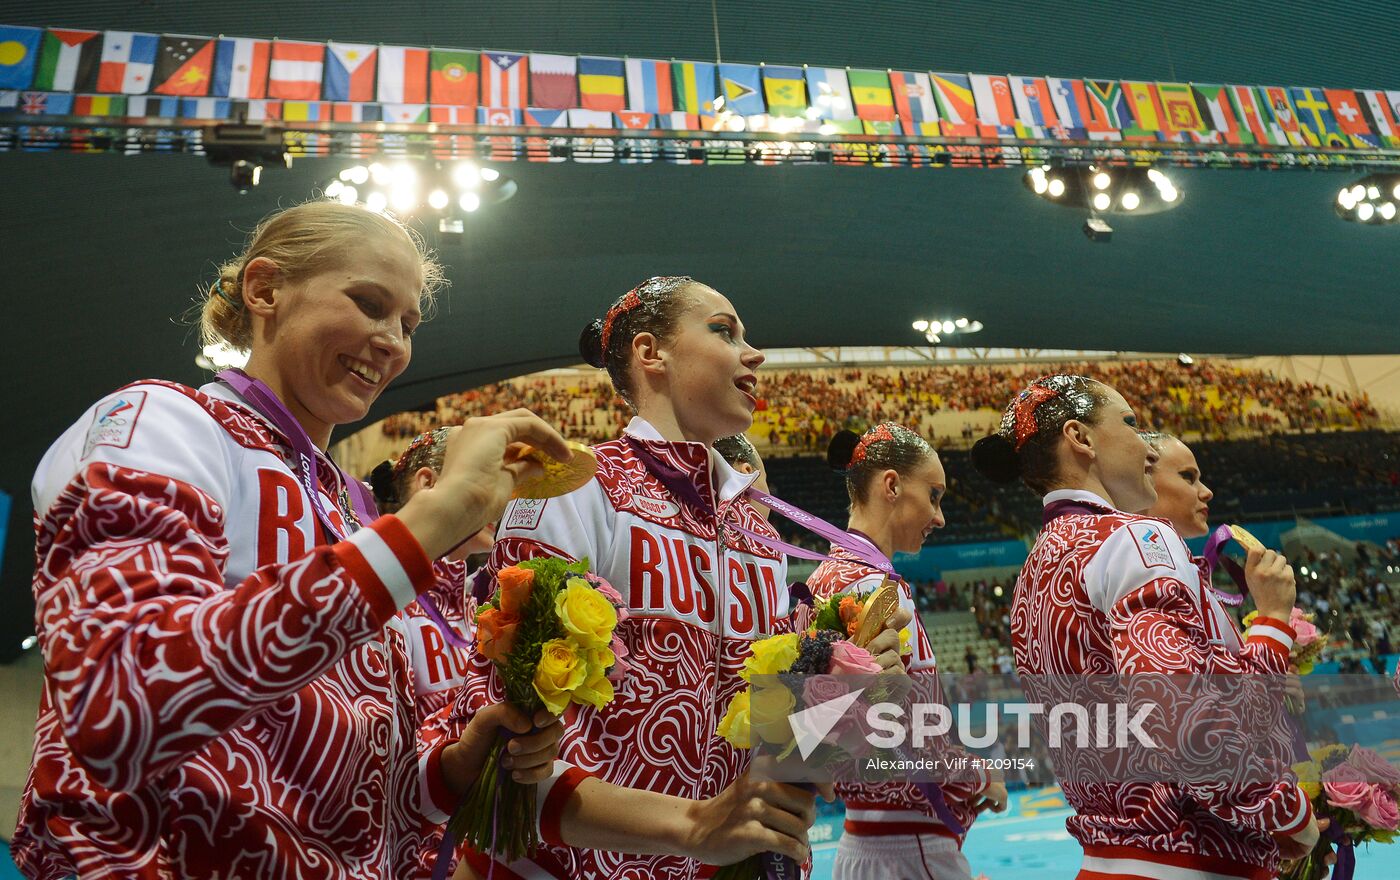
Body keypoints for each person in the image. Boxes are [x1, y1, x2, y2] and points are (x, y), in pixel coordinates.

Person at [11, 201, 571, 879]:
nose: (394, 341)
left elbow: (360, 796)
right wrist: (447, 509)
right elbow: (119, 701)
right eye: (368, 303)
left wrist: (449, 771)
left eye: (407, 323)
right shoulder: (161, 424)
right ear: (266, 289)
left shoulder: (354, 509)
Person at [447, 277, 909, 879]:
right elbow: (503, 744)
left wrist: (846, 699)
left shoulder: (753, 525)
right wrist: (694, 827)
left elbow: (771, 747)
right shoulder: (579, 485)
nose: (755, 353)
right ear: (650, 353)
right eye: (724, 330)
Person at [972, 375, 1323, 880]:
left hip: (1109, 855)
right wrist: (1289, 816)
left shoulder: (1036, 567)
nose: (1145, 448)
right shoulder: (1134, 537)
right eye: (1130, 424)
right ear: (1082, 439)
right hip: (1187, 857)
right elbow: (1188, 727)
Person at [809, 423, 1006, 880]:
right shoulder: (873, 590)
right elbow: (909, 738)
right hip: (909, 845)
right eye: (934, 496)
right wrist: (981, 774)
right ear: (892, 485)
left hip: (865, 840)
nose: (941, 518)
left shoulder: (827, 577)